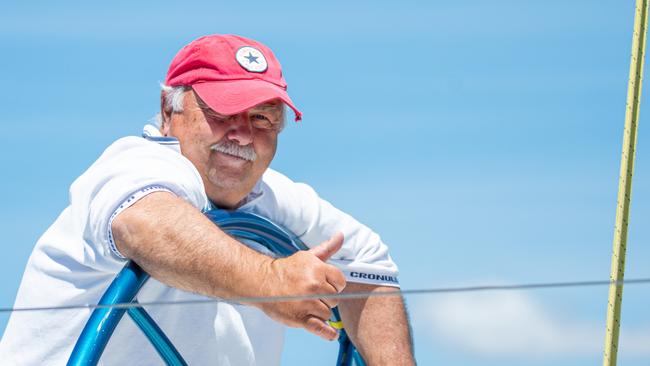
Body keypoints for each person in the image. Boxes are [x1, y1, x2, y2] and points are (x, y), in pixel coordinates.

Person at [0, 34, 414, 365]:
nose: (241, 134)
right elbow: (145, 223)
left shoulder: (272, 197)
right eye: (222, 112)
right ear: (169, 109)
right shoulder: (136, 164)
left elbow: (369, 264)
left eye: (262, 118)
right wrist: (272, 281)